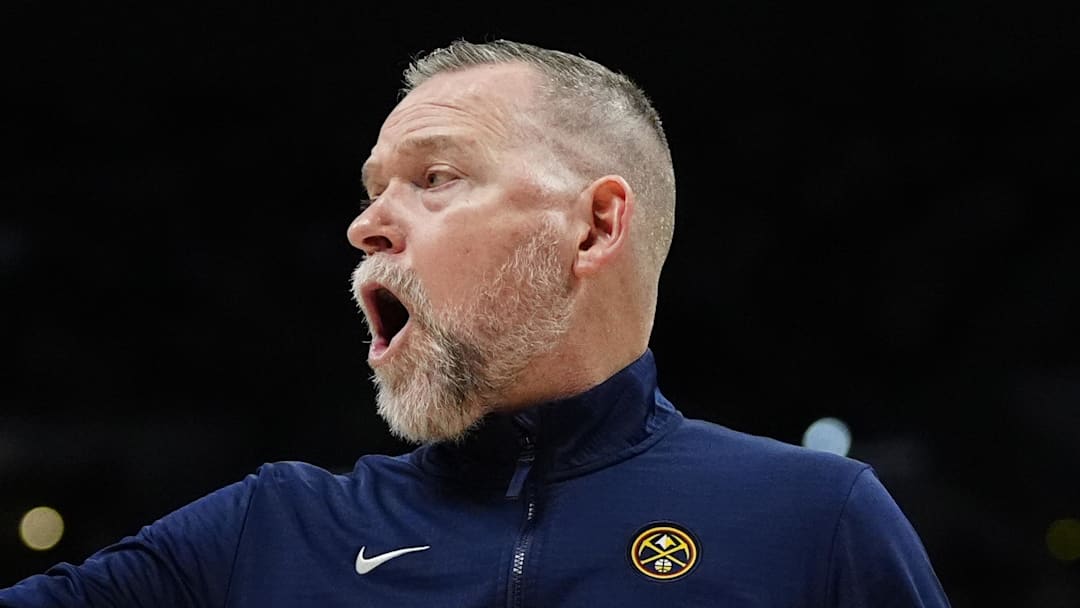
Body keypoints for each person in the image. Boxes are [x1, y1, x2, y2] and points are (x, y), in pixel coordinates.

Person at [0, 39, 951, 607]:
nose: (366, 225)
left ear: (595, 226)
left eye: (435, 177)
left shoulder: (816, 520)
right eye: (373, 190)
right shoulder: (267, 529)